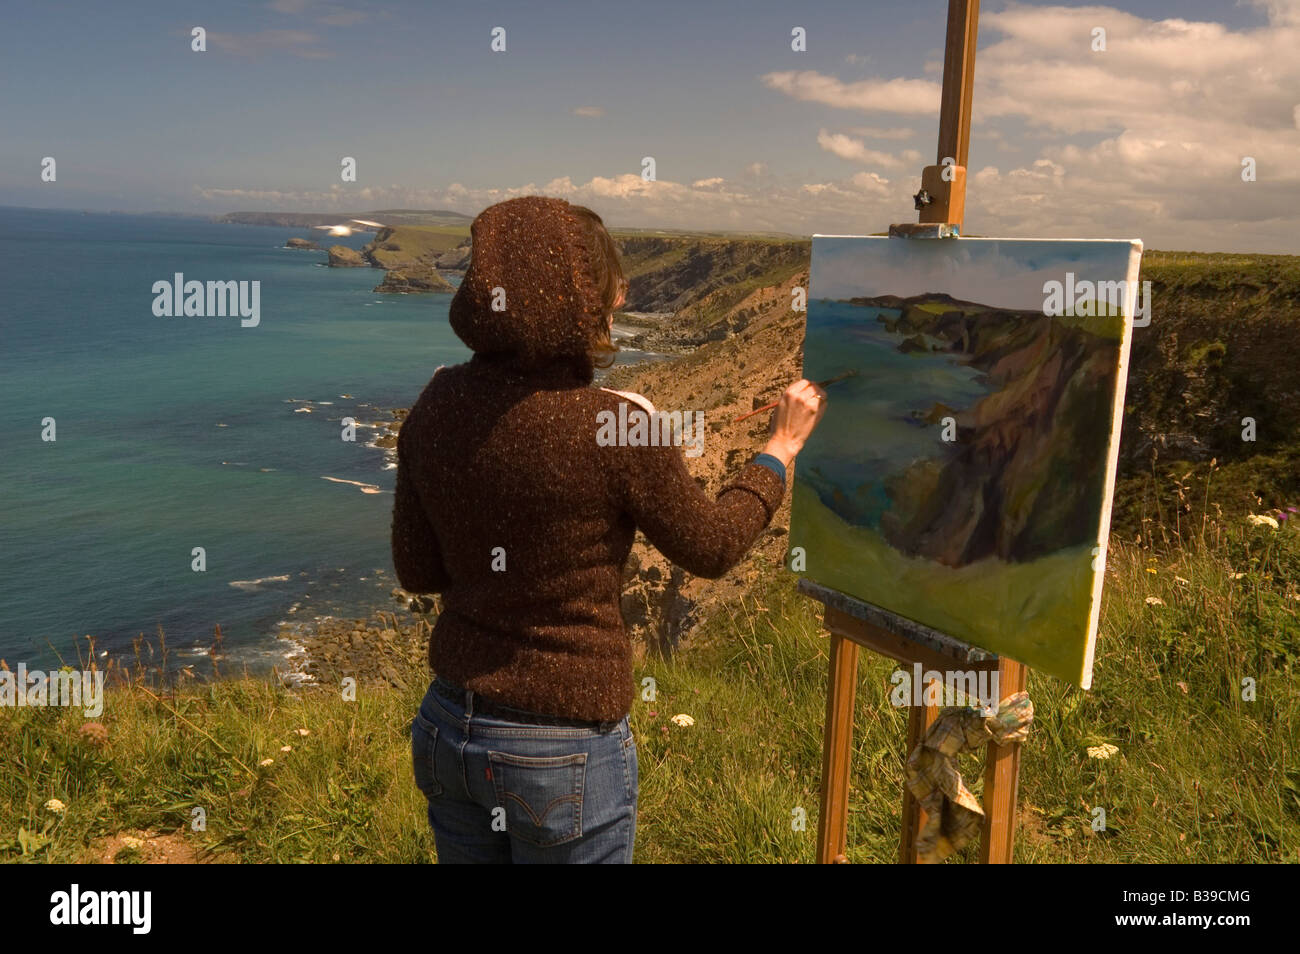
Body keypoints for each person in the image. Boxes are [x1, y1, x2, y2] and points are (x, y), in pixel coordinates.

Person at [392, 195, 827, 863]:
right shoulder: (617, 425)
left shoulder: (435, 404)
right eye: (610, 288)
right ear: (586, 304)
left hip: (450, 725)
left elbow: (418, 573)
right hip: (560, 745)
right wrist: (778, 453)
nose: (618, 301)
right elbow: (710, 546)